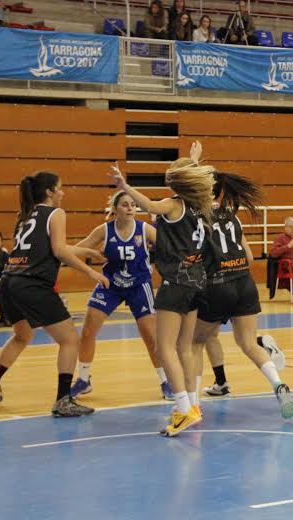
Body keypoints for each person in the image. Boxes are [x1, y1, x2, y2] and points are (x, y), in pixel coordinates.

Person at [0, 171, 108, 416]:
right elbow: (58, 251)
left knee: (21, 335)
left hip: (9, 282)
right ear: (49, 192)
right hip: (33, 284)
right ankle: (63, 401)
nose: (63, 192)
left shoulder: (25, 215)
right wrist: (91, 272)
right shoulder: (56, 213)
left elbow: (53, 247)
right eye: (60, 188)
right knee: (70, 340)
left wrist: (86, 253)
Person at [108, 143, 214, 437]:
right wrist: (192, 162)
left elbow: (151, 207)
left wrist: (125, 186)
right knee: (185, 348)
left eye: (171, 171)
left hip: (175, 282)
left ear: (177, 179)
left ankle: (182, 410)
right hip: (196, 281)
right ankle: (193, 404)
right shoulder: (200, 204)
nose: (167, 174)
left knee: (163, 347)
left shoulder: (174, 203)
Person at [192, 170, 293, 418]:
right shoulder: (233, 218)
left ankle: (192, 404)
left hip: (218, 285)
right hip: (244, 284)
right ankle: (278, 385)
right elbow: (248, 258)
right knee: (248, 343)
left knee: (195, 341)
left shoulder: (197, 217)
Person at [69, 191, 175, 402]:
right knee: (88, 329)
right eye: (125, 204)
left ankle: (166, 381)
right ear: (115, 208)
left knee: (150, 337)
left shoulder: (144, 229)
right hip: (110, 284)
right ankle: (83, 379)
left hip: (139, 285)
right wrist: (79, 254)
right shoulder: (104, 230)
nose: (130, 208)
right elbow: (76, 250)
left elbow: (171, 248)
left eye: (133, 205)